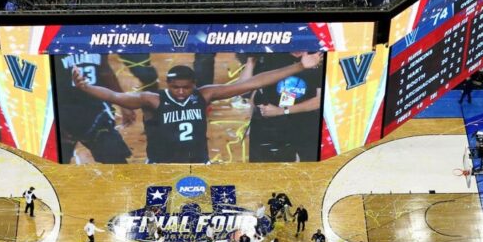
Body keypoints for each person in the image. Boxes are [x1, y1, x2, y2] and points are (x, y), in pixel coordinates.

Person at [72, 54, 322, 163]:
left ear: (194, 84)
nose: (181, 91)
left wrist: (299, 67)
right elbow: (116, 95)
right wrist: (86, 88)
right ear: (168, 84)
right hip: (162, 165)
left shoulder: (204, 95)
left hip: (199, 163)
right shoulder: (153, 100)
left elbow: (255, 81)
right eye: (176, 87)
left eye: (186, 87)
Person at [240, 53, 323, 162]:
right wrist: (251, 61)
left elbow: (319, 101)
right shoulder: (268, 54)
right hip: (270, 126)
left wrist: (281, 111)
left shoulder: (318, 56)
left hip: (306, 125)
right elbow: (242, 90)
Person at [54, 53, 136, 164]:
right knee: (53, 167)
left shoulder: (95, 39)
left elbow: (104, 70)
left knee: (116, 160)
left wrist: (122, 102)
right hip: (64, 111)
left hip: (96, 111)